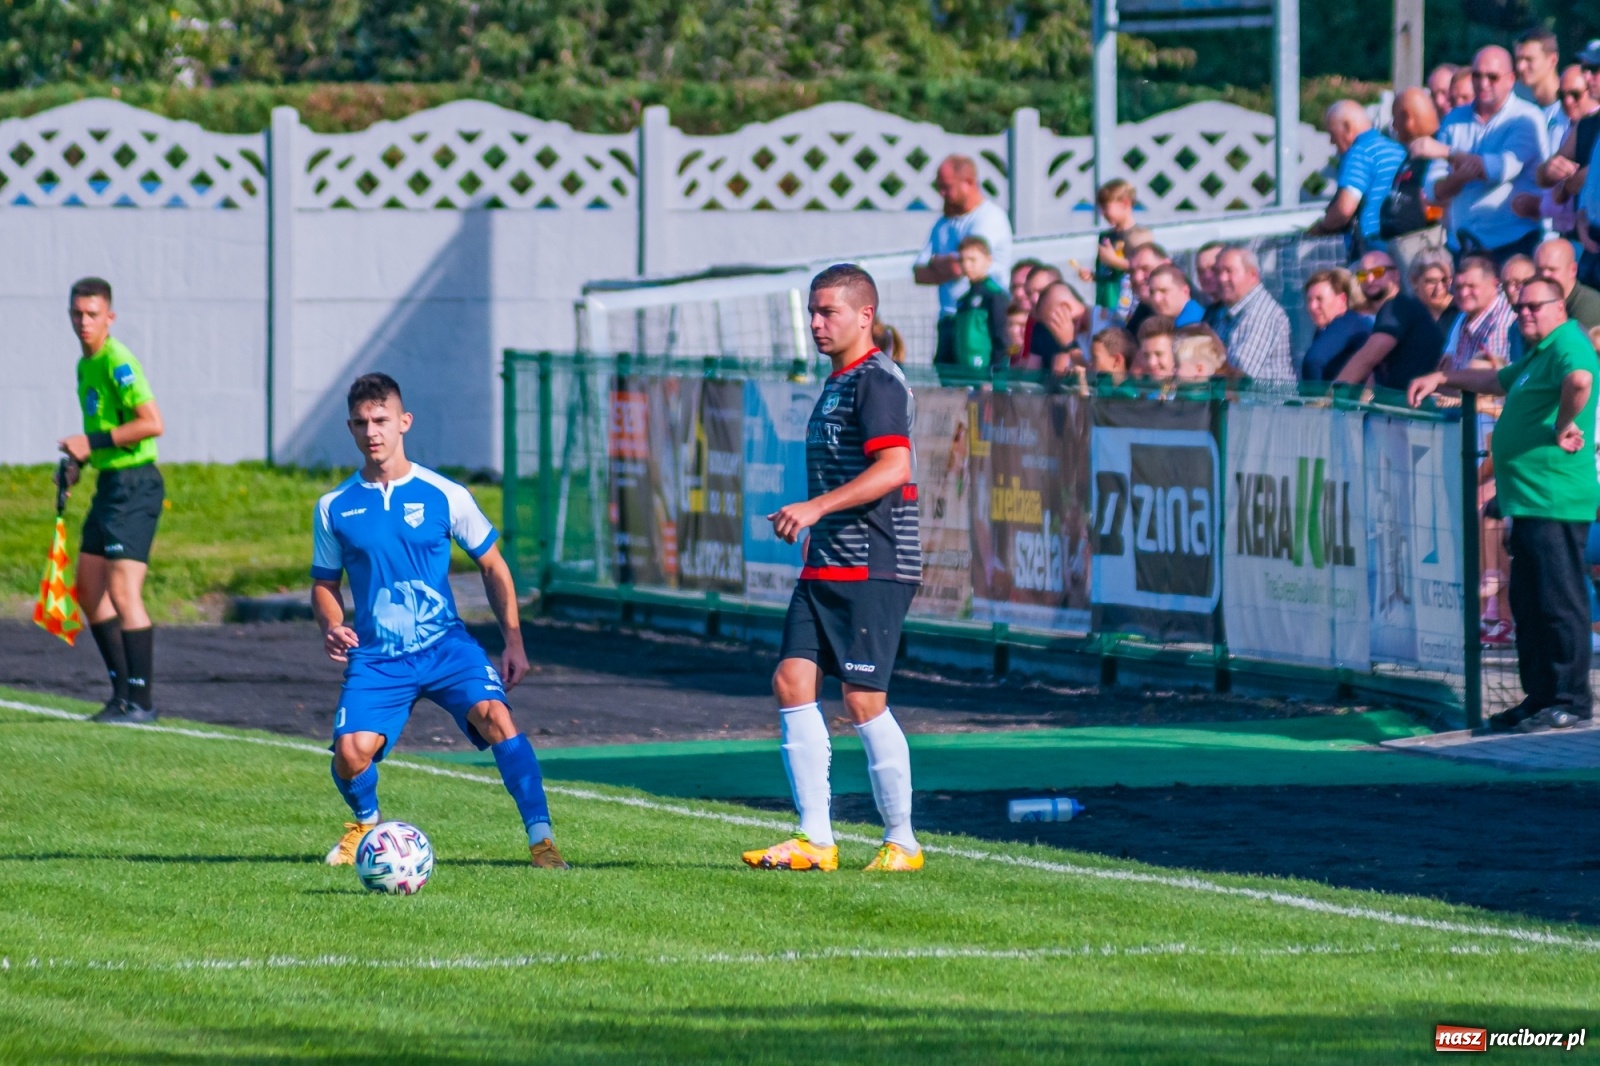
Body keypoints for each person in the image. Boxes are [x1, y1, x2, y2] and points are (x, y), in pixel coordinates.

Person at [312, 373, 567, 870]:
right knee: (349, 752)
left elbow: (493, 564)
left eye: (382, 420)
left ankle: (542, 842)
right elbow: (323, 583)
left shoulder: (444, 494)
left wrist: (513, 641)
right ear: (350, 428)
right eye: (362, 423)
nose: (373, 432)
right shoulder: (333, 507)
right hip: (379, 656)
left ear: (404, 422)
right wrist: (330, 623)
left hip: (445, 647)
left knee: (498, 719)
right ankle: (365, 825)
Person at [745, 264, 925, 874]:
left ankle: (902, 841)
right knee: (792, 682)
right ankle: (815, 839)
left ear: (864, 315)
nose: (817, 323)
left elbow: (894, 468)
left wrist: (816, 507)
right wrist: (815, 526)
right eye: (813, 313)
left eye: (829, 312)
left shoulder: (877, 381)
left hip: (873, 566)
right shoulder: (838, 381)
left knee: (863, 699)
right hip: (828, 564)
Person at [1409, 276, 1598, 733]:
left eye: (1535, 306)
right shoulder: (1538, 353)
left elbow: (1581, 379)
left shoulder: (1568, 343)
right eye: (1520, 308)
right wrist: (1444, 375)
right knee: (1528, 602)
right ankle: (1540, 697)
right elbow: (1496, 378)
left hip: (1554, 497)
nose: (1526, 313)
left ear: (1560, 307)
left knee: (1559, 600)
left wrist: (1564, 422)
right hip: (1529, 498)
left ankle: (1571, 699)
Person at [55, 277, 165, 725]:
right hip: (110, 486)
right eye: (77, 314)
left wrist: (91, 440)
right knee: (87, 588)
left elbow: (151, 423)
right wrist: (79, 463)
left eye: (93, 314)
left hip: (136, 485)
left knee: (123, 591)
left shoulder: (118, 360)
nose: (84, 322)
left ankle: (141, 703)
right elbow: (101, 433)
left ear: (110, 317)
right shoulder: (86, 365)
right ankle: (120, 695)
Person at [1423, 46, 1547, 263]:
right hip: (1462, 245)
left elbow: (1499, 170)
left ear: (1511, 79)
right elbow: (1433, 189)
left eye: (1492, 77)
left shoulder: (1526, 117)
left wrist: (1445, 152)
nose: (1483, 83)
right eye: (1477, 75)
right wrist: (1460, 177)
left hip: (1513, 245)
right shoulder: (1454, 119)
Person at [914, 155, 1013, 365]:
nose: (941, 193)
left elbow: (960, 267)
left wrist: (938, 264)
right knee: (949, 386)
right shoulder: (943, 223)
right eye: (939, 187)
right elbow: (918, 272)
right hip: (949, 319)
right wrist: (944, 266)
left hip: (980, 318)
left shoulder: (989, 217)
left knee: (978, 387)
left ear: (968, 183)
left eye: (946, 187)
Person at [1335, 250, 1446, 390]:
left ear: (1396, 275)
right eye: (1362, 274)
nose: (1370, 279)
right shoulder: (1393, 310)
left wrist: (1331, 396)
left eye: (1378, 272)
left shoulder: (1398, 306)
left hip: (1418, 404)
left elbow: (1368, 357)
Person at [1309, 99, 1407, 254]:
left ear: (1347, 127)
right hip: (1402, 236)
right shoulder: (1396, 148)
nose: (1331, 141)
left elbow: (1345, 209)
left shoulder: (1359, 152)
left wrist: (1322, 227)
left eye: (1333, 134)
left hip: (1374, 238)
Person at [1515, 65, 1596, 237]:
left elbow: (1574, 186)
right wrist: (1550, 172)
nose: (1567, 102)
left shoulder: (1588, 125)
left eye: (1575, 94)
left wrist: (1538, 205)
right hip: (1572, 235)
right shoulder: (1578, 127)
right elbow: (1545, 177)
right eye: (1561, 95)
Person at [1212, 246, 1294, 382]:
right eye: (1218, 272)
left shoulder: (1262, 313)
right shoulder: (1228, 311)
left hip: (1265, 402)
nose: (1222, 278)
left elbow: (1240, 373)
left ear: (1253, 276)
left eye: (1229, 271)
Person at [950, 235, 1011, 374]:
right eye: (962, 260)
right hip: (965, 371)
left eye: (972, 260)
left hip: (984, 373)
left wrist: (993, 373)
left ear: (988, 260)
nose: (966, 265)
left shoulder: (994, 295)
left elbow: (1002, 338)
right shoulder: (963, 300)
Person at [1443, 256, 1515, 370]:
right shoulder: (1463, 318)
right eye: (1458, 287)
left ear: (1495, 285)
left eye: (1471, 286)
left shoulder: (1501, 320)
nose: (1463, 293)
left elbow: (1489, 378)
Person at [1301, 268, 1373, 381]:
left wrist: (1315, 397)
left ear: (1342, 299)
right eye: (1309, 300)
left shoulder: (1346, 325)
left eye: (1319, 299)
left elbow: (1313, 361)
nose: (1312, 306)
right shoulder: (1327, 329)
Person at [1081, 179, 1138, 318]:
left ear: (1125, 203)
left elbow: (1142, 267)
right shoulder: (1106, 237)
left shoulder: (1138, 236)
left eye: (1106, 207)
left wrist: (1114, 261)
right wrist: (1094, 276)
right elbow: (1109, 274)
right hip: (1104, 304)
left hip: (1126, 308)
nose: (1102, 213)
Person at [1513, 28, 1567, 150]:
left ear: (1552, 60)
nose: (1520, 67)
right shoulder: (1523, 111)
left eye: (1529, 59)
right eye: (1518, 59)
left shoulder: (1569, 110)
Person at [1533, 235, 1600, 331]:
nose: (1544, 275)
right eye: (1539, 270)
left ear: (1573, 270)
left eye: (1552, 269)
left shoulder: (1589, 307)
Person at [1024, 281, 1084, 374]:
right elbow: (1032, 373)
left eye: (1052, 323)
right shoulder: (1040, 329)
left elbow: (1096, 378)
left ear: (1065, 308)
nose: (1034, 298)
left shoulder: (1105, 324)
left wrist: (1070, 345)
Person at [1123, 242, 1173, 335]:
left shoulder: (1192, 307)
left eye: (1146, 269)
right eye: (1131, 272)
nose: (1137, 278)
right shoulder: (1142, 312)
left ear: (1167, 264)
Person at [1409, 249, 1462, 336]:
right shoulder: (1403, 315)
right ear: (1414, 280)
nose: (1439, 288)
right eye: (1431, 281)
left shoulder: (1462, 312)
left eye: (1444, 280)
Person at [1501, 254, 1538, 362]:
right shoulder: (1515, 328)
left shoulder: (1546, 324)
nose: (1510, 290)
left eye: (1517, 284)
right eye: (1505, 285)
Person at [1134, 315, 1177, 380]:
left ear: (1176, 355)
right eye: (1146, 355)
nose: (1151, 363)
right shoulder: (1138, 387)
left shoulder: (1191, 389)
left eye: (1159, 354)